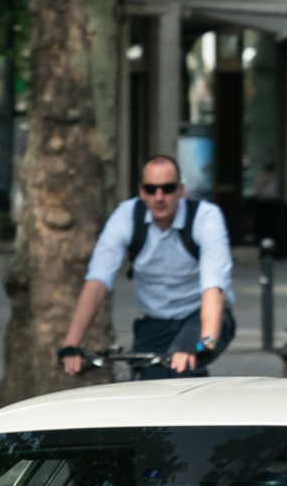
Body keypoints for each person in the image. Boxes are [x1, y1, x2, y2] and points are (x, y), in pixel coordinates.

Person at [58, 154, 233, 379]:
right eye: (151, 189)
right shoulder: (126, 217)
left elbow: (213, 285)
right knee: (147, 388)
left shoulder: (205, 217)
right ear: (142, 192)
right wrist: (72, 343)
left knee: (183, 368)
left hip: (199, 316)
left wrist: (205, 342)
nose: (159, 197)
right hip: (154, 322)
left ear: (181, 190)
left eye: (168, 189)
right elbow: (98, 281)